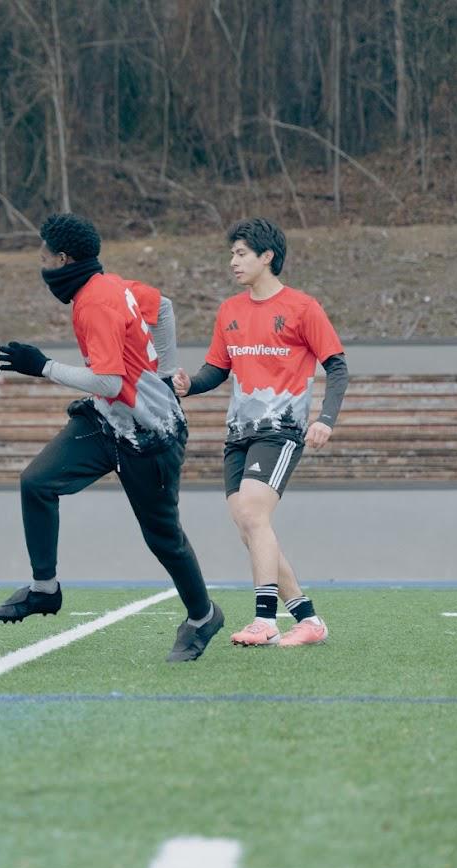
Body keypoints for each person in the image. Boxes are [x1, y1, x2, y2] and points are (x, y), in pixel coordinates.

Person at [0, 212, 222, 663]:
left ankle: (202, 617)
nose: (41, 266)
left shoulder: (95, 302)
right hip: (106, 422)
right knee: (37, 483)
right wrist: (166, 372)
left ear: (63, 258)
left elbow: (110, 383)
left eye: (44, 257)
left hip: (149, 435)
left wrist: (41, 366)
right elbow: (166, 306)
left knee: (163, 538)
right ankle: (44, 589)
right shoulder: (112, 285)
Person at [172, 217, 348, 648]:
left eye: (241, 253)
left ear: (267, 257)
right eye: (232, 253)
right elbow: (217, 369)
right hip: (238, 434)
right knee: (250, 527)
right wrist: (188, 385)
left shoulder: (303, 307)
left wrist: (325, 419)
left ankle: (264, 619)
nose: (232, 261)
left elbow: (337, 366)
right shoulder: (229, 310)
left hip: (282, 430)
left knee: (253, 514)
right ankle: (308, 620)